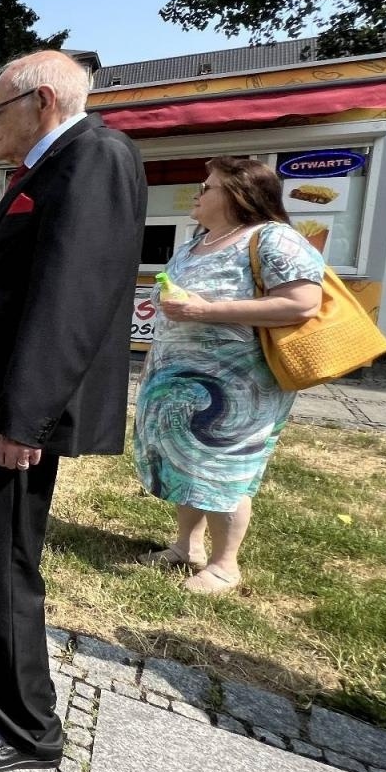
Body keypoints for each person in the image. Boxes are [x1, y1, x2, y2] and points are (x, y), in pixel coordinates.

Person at [0, 50, 147, 772]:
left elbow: (70, 303)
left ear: (42, 100)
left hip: (16, 407)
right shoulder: (53, 163)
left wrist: (27, 420)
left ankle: (27, 725)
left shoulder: (93, 158)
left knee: (7, 553)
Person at [134, 157, 324, 595]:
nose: (198, 193)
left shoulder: (273, 239)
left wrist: (206, 311)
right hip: (178, 378)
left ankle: (225, 565)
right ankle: (187, 546)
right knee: (185, 462)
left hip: (238, 388)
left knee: (224, 468)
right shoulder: (199, 241)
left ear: (238, 194)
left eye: (207, 186)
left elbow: (302, 303)